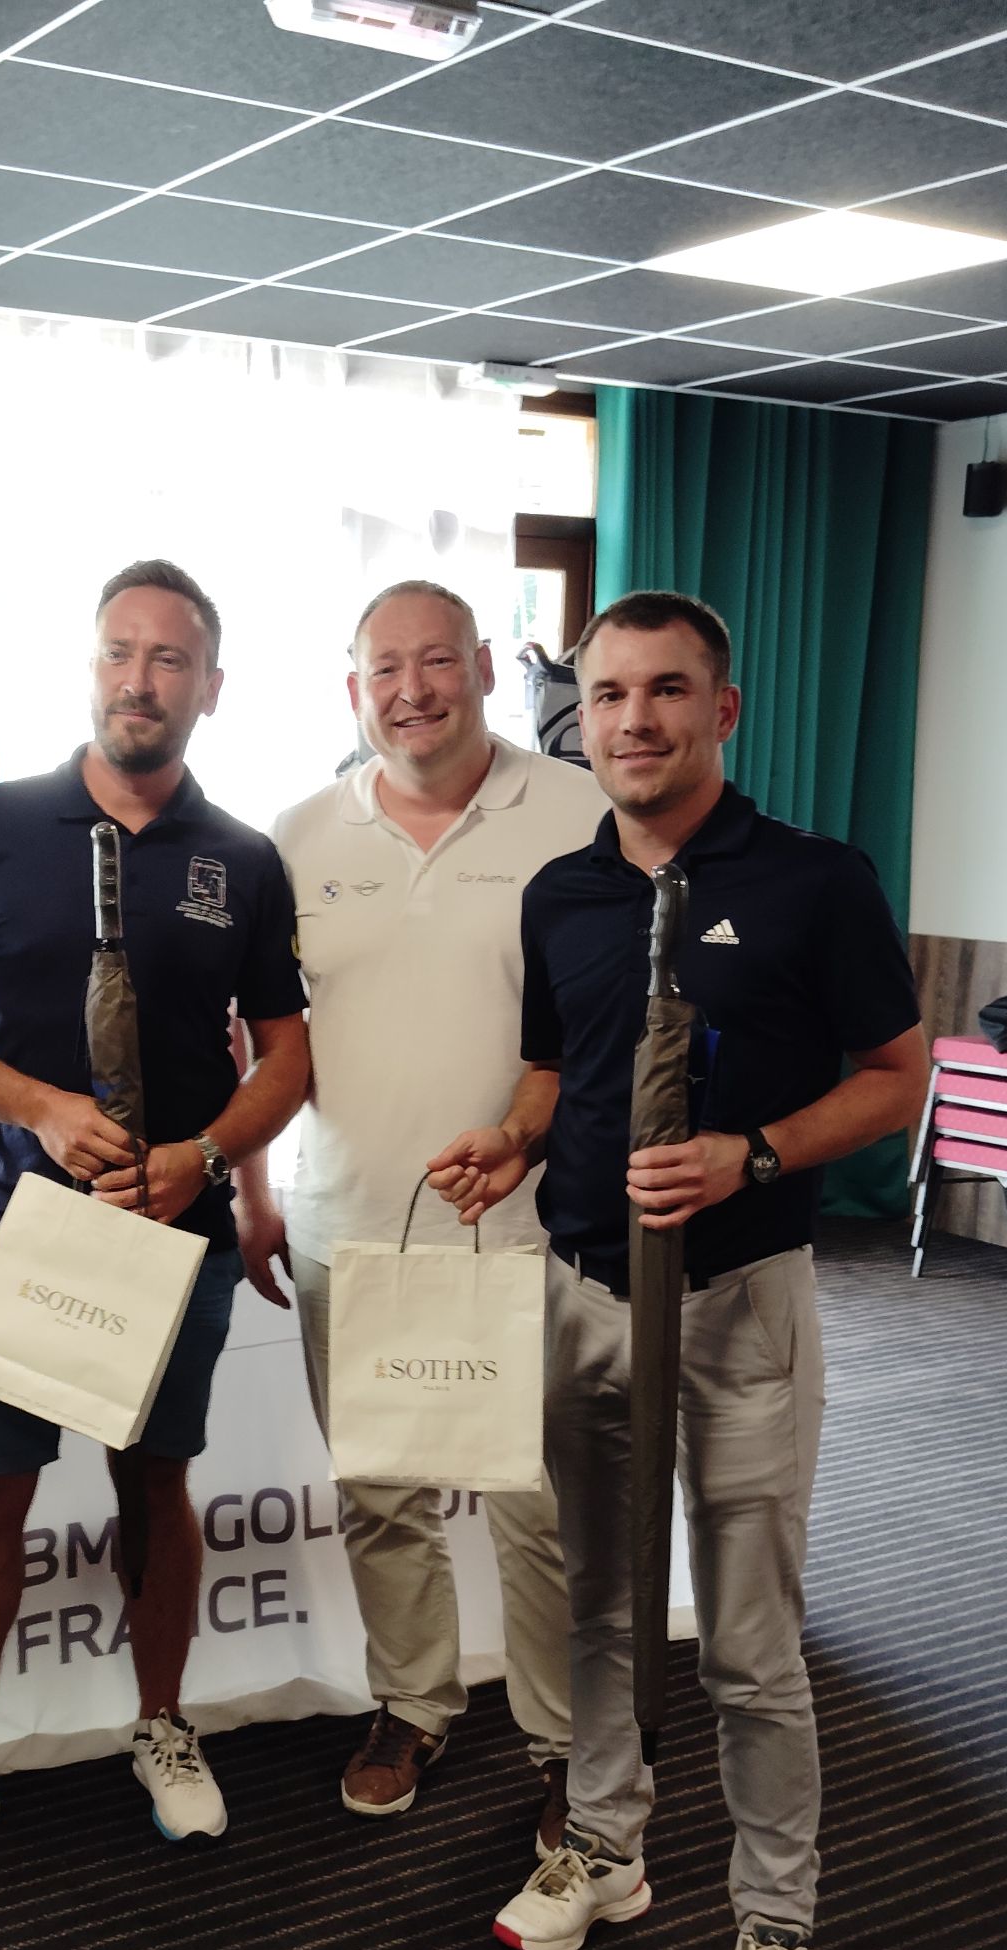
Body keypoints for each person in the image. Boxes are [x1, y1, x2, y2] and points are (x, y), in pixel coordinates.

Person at [429, 589, 927, 1950]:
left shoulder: (817, 881)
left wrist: (752, 1154)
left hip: (740, 1304)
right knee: (600, 1606)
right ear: (578, 716)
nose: (632, 720)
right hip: (584, 1293)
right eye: (607, 694)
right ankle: (604, 1842)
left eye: (664, 690)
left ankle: (774, 1921)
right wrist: (512, 1141)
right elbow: (553, 1069)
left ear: (723, 709)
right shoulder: (561, 894)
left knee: (751, 1644)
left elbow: (897, 1074)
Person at [0, 560, 309, 1881]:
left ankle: (162, 1725)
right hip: (24, 1227)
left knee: (155, 1486)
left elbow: (286, 1056)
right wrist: (43, 1109)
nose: (139, 679)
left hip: (176, 1233)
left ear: (210, 686)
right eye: (120, 651)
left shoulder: (244, 859)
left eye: (170, 659)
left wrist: (207, 1159)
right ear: (91, 666)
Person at [236, 580, 604, 1832]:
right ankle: (414, 1703)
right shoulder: (297, 836)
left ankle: (566, 1745)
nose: (412, 691)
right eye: (384, 669)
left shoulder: (577, 813)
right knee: (381, 1493)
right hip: (349, 1225)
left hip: (524, 1225)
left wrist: (530, 1135)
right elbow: (260, 1039)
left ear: (485, 667)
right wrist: (253, 1189)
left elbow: (604, 1024)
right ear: (354, 690)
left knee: (537, 1507)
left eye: (437, 660)